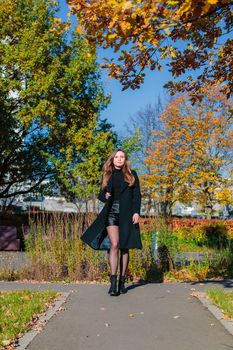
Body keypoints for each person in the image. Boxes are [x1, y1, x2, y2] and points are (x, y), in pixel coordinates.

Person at [81, 149, 142, 296]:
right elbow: (101, 195)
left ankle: (122, 281)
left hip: (127, 214)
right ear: (113, 159)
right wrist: (105, 194)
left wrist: (136, 212)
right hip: (111, 213)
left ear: (125, 159)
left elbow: (137, 196)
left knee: (124, 246)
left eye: (122, 157)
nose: (119, 159)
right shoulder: (107, 174)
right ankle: (113, 282)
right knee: (114, 244)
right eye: (117, 157)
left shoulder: (131, 174)